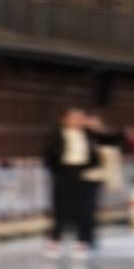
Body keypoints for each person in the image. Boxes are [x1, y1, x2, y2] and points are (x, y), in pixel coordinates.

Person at [42, 106, 100, 256]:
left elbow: (106, 146)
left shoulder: (89, 135)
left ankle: (82, 242)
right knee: (60, 208)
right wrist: (57, 171)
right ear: (65, 119)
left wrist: (95, 127)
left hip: (84, 174)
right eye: (74, 118)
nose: (78, 121)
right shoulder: (56, 135)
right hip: (64, 173)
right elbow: (49, 156)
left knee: (84, 209)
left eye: (80, 118)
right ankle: (55, 241)